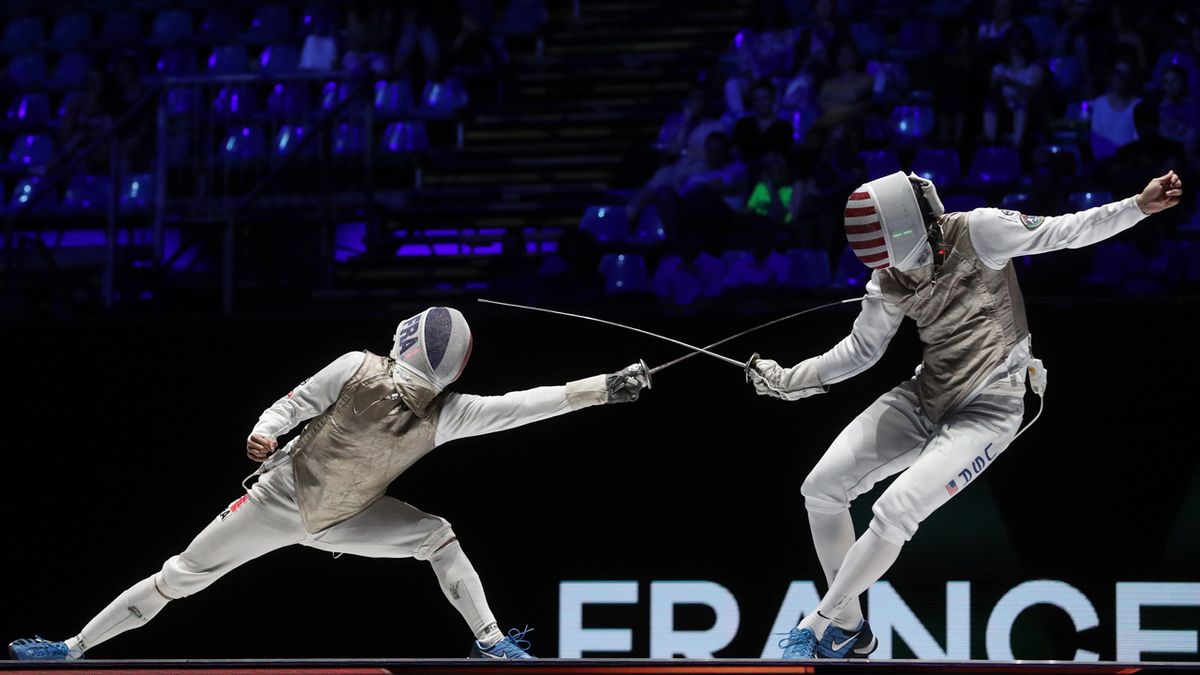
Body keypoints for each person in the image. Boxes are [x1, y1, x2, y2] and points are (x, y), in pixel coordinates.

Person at [8, 307, 649, 661]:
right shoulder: (359, 371)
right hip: (277, 500)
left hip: (350, 518)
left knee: (435, 536)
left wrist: (606, 388)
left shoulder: (446, 414)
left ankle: (492, 643)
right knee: (180, 576)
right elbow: (291, 406)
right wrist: (264, 432)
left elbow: (530, 403)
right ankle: (70, 648)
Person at [748, 169, 1183, 659]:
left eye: (906, 260)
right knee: (821, 489)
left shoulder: (981, 230)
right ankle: (849, 627)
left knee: (895, 511)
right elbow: (861, 350)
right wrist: (789, 381)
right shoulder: (888, 276)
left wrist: (1138, 206)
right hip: (928, 394)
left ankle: (820, 621)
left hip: (992, 409)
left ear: (921, 228)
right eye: (892, 264)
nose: (901, 272)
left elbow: (1068, 231)